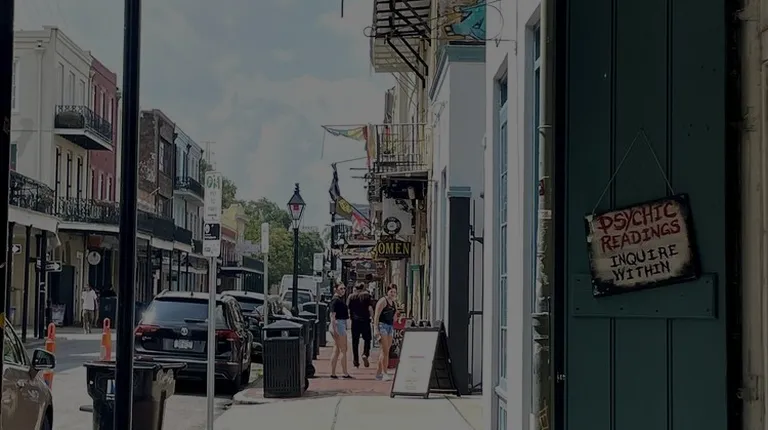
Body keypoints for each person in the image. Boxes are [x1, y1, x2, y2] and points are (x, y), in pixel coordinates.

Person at [373, 284, 398, 381]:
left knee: (386, 350)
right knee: (385, 351)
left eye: (394, 292)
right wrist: (376, 329)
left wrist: (397, 315)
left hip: (390, 327)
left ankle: (378, 373)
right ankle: (384, 373)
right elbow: (376, 315)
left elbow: (394, 318)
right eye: (391, 291)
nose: (393, 294)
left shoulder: (394, 303)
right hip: (382, 326)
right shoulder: (383, 301)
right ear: (387, 291)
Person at [347, 283, 374, 368]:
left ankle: (356, 361)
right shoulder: (367, 296)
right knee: (367, 339)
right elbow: (370, 308)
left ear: (355, 288)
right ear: (363, 288)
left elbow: (348, 310)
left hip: (355, 322)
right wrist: (373, 318)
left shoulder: (351, 297)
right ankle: (365, 353)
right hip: (365, 321)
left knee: (355, 342)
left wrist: (350, 318)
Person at [329, 282, 352, 379]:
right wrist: (335, 329)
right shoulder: (335, 300)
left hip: (339, 324)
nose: (343, 290)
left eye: (344, 288)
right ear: (336, 289)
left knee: (337, 349)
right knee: (343, 349)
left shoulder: (338, 299)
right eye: (341, 288)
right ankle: (345, 373)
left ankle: (333, 373)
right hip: (339, 324)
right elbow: (332, 316)